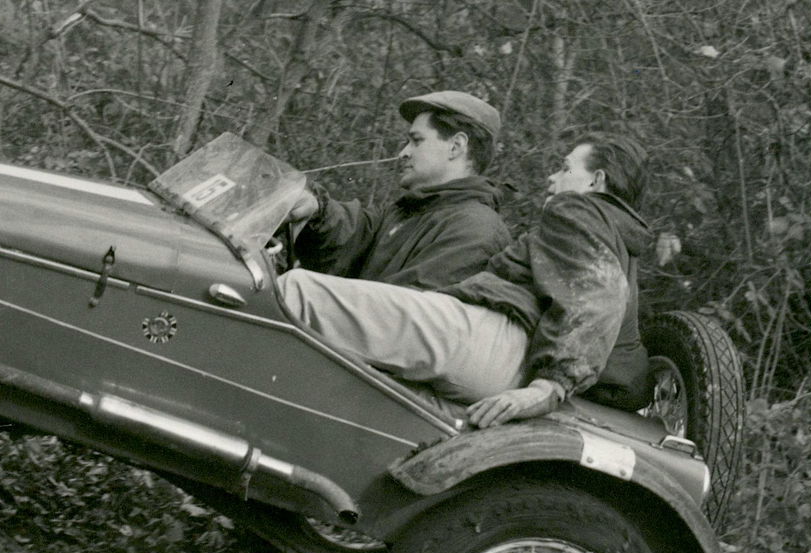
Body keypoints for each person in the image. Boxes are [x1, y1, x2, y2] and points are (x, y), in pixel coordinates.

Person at [278, 134, 654, 429]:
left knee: (300, 292)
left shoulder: (577, 209)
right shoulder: (617, 239)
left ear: (596, 181)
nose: (552, 178)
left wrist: (549, 386)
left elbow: (598, 297)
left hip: (499, 340)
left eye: (565, 168)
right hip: (506, 350)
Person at [280, 90, 511, 290]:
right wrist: (315, 209)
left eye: (416, 141)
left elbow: (405, 311)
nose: (403, 153)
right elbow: (352, 232)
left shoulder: (475, 230)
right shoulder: (406, 212)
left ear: (456, 146)